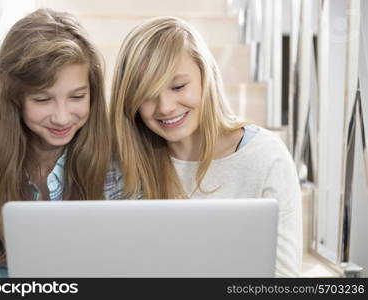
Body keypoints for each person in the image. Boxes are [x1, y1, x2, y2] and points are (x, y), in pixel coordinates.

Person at [110, 16, 303, 277]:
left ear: (205, 76)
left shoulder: (265, 156)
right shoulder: (129, 161)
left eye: (178, 86)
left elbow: (283, 276)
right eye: (147, 95)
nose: (165, 107)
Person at [0, 8, 119, 277]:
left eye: (77, 97)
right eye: (42, 100)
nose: (62, 117)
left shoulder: (116, 163)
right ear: (14, 98)